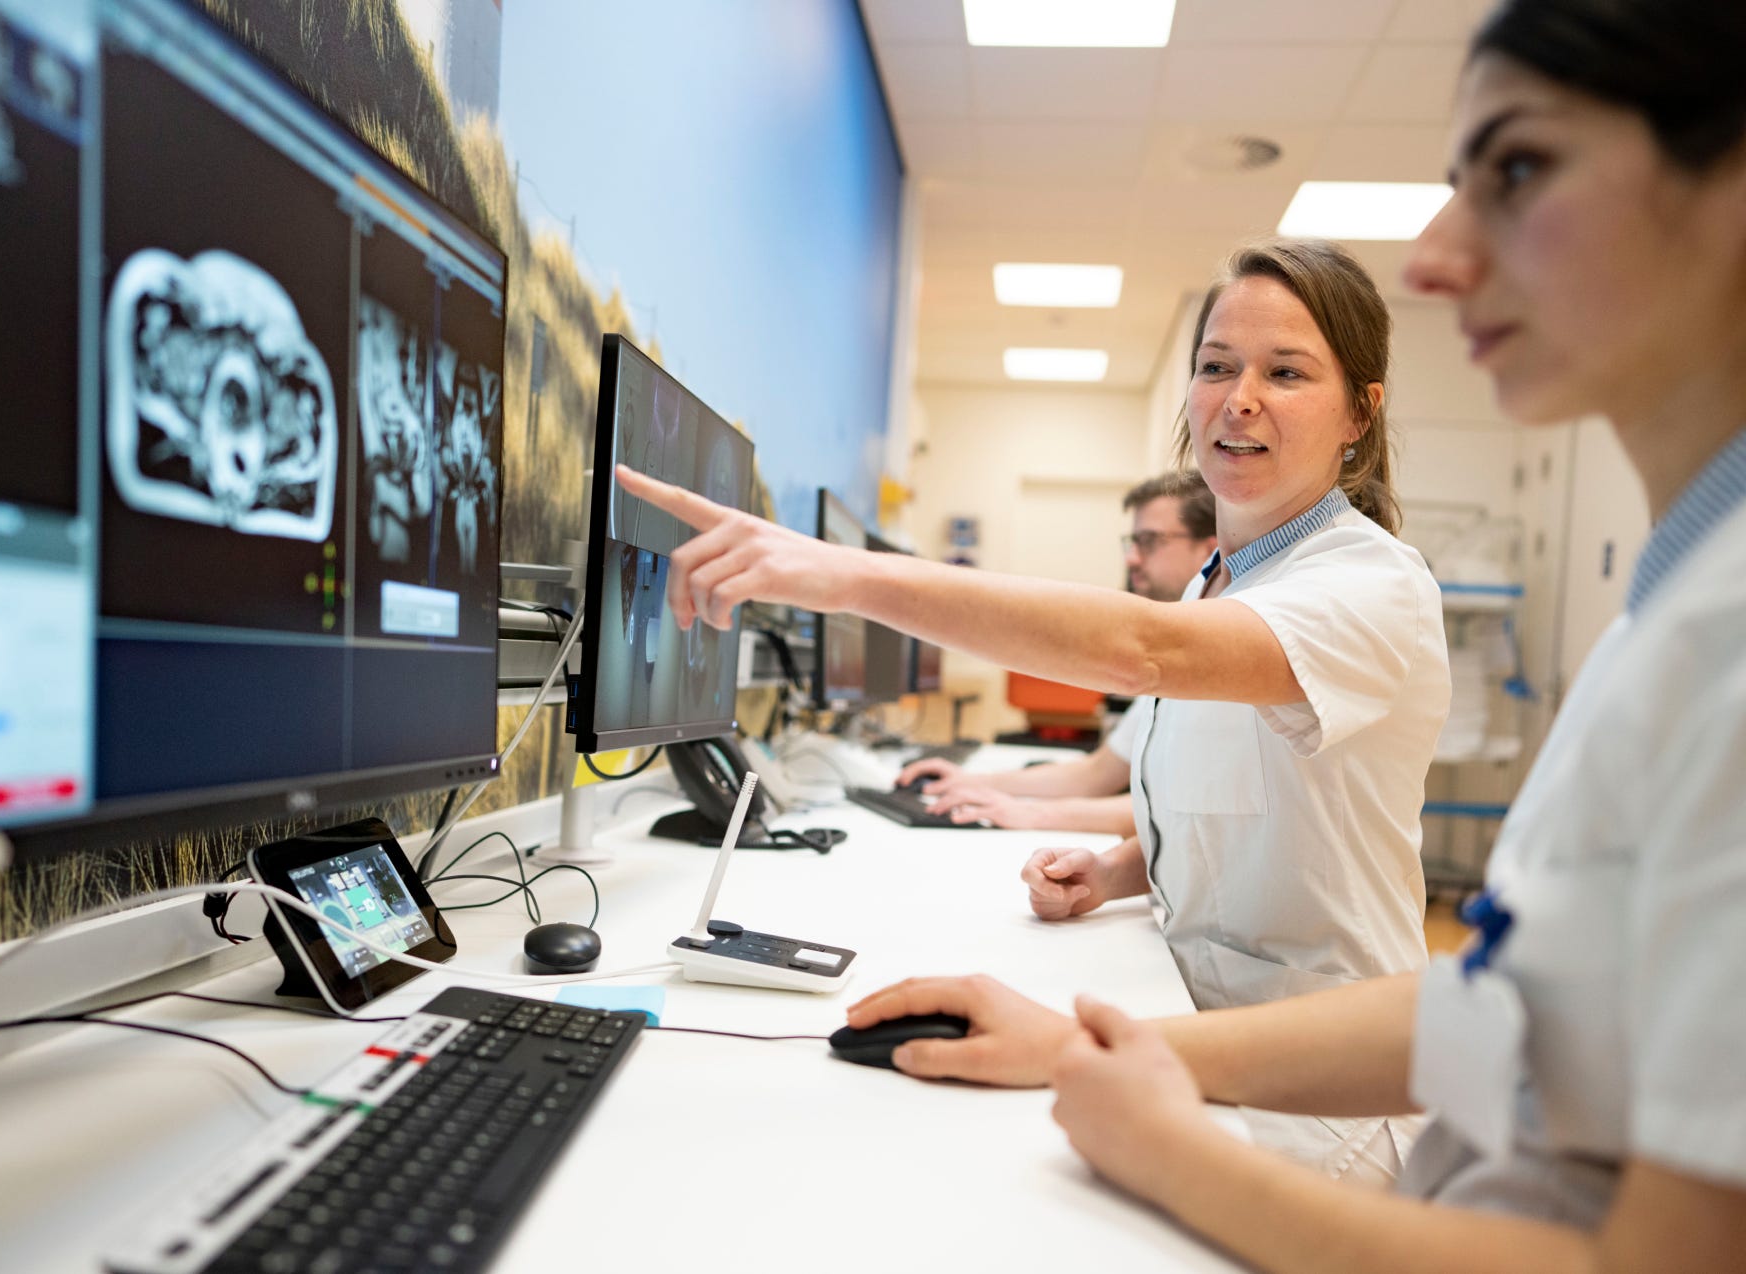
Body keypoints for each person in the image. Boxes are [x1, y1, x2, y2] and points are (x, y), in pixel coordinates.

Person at [854, 1, 1746, 1265]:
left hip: (1324, 1130)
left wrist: (841, 575)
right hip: (1315, 1095)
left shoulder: (1659, 633)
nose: (1435, 257)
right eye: (1218, 366)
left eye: (1521, 168)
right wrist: (1102, 1034)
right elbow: (1518, 1014)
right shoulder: (1678, 610)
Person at [619, 237, 1452, 1180]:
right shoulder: (1215, 588)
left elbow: (1145, 649)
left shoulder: (1374, 587)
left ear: (1360, 412)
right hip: (1187, 1033)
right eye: (1217, 367)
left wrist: (848, 577)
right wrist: (1119, 871)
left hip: (1317, 1101)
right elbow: (1268, 816)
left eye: (1286, 372)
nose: (1240, 397)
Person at [896, 470, 1218, 835]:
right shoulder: (1172, 664)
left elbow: (1190, 812)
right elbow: (1095, 774)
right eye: (1131, 542)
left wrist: (1032, 815)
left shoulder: (1226, 667)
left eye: (1149, 541)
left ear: (1210, 552)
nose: (1131, 559)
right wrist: (975, 781)